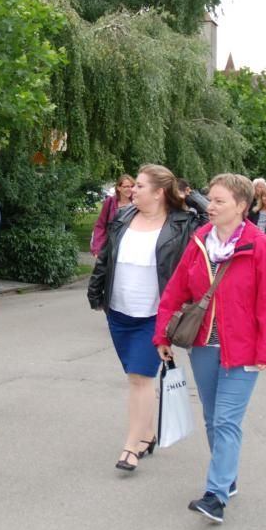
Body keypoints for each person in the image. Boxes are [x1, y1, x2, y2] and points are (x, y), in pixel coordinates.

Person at [154, 173, 266, 525]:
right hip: (203, 347)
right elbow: (175, 291)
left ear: (241, 206)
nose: (210, 205)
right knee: (212, 419)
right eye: (211, 199)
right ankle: (227, 476)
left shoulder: (259, 246)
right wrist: (162, 336)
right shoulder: (199, 242)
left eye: (220, 201)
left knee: (226, 419)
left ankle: (216, 494)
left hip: (243, 351)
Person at [87, 164, 198, 472]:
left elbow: (204, 219)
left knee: (140, 379)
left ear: (160, 192)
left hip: (154, 314)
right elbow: (106, 259)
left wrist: (189, 196)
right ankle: (148, 434)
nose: (131, 190)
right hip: (119, 312)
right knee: (135, 378)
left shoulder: (181, 223)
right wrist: (96, 294)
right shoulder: (123, 217)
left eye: (139, 186)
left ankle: (130, 447)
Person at [90, 173, 135, 257]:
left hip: (130, 249)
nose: (130, 189)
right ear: (118, 188)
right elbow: (100, 225)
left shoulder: (137, 204)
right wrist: (97, 249)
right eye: (126, 186)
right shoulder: (110, 202)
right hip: (110, 248)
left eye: (132, 186)